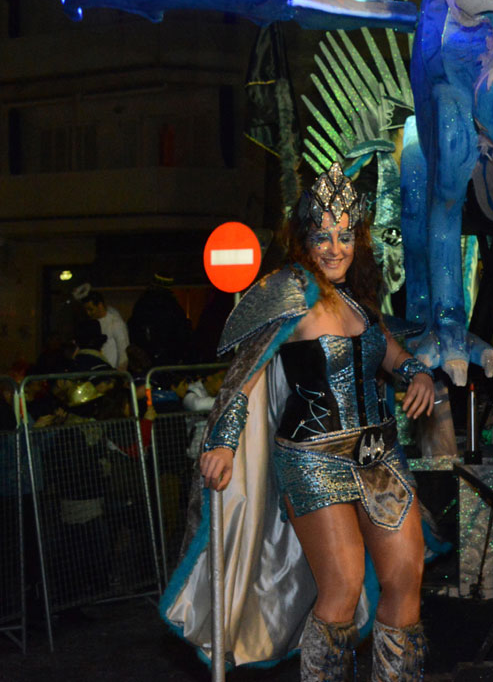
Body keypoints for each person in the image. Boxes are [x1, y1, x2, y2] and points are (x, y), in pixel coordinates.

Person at [160, 162, 435, 681]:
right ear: (303, 241)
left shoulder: (359, 297)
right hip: (314, 456)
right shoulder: (287, 290)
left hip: (379, 454)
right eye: (322, 236)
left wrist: (418, 374)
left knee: (405, 577)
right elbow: (246, 371)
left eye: (345, 236)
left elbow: (392, 354)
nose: (335, 247)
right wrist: (222, 440)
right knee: (343, 587)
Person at [82, 290, 130, 372]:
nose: (88, 313)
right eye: (86, 310)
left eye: (91, 309)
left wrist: (120, 372)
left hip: (112, 371)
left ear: (100, 305)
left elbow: (123, 348)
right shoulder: (91, 324)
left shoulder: (115, 323)